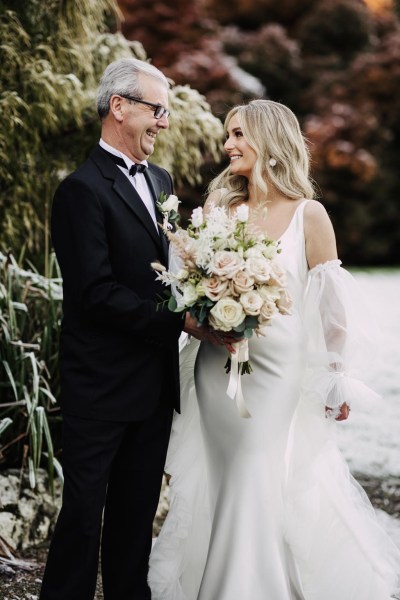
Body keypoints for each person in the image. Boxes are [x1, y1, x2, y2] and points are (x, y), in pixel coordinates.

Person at [148, 99, 400, 599]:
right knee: (229, 481)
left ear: (267, 138)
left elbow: (332, 309)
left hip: (277, 376)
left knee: (254, 474)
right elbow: (190, 285)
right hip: (217, 365)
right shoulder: (220, 208)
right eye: (228, 135)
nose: (228, 146)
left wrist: (335, 375)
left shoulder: (311, 216)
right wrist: (208, 307)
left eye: (238, 134)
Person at [39, 57, 217, 600]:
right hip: (100, 383)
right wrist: (177, 321)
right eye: (156, 110)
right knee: (83, 518)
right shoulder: (80, 191)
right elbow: (94, 295)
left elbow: (165, 270)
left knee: (136, 518)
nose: (164, 123)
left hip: (152, 384)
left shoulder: (161, 180)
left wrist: (210, 293)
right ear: (119, 107)